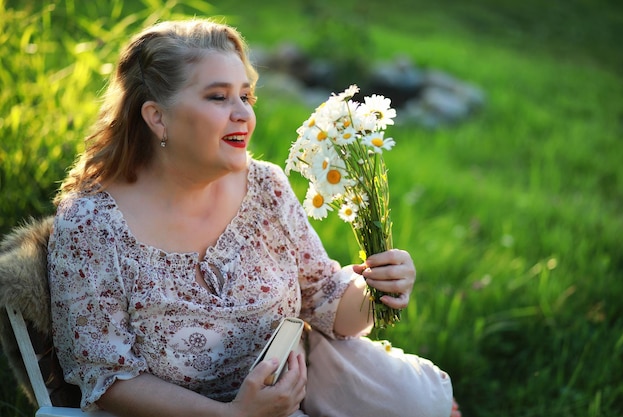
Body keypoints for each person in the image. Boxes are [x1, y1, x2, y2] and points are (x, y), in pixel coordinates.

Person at [48, 18, 458, 417]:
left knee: (424, 402)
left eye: (246, 96)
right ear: (157, 117)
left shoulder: (265, 187)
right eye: (218, 97)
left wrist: (378, 287)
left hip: (295, 386)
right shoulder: (91, 225)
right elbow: (108, 380)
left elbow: (326, 301)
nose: (242, 113)